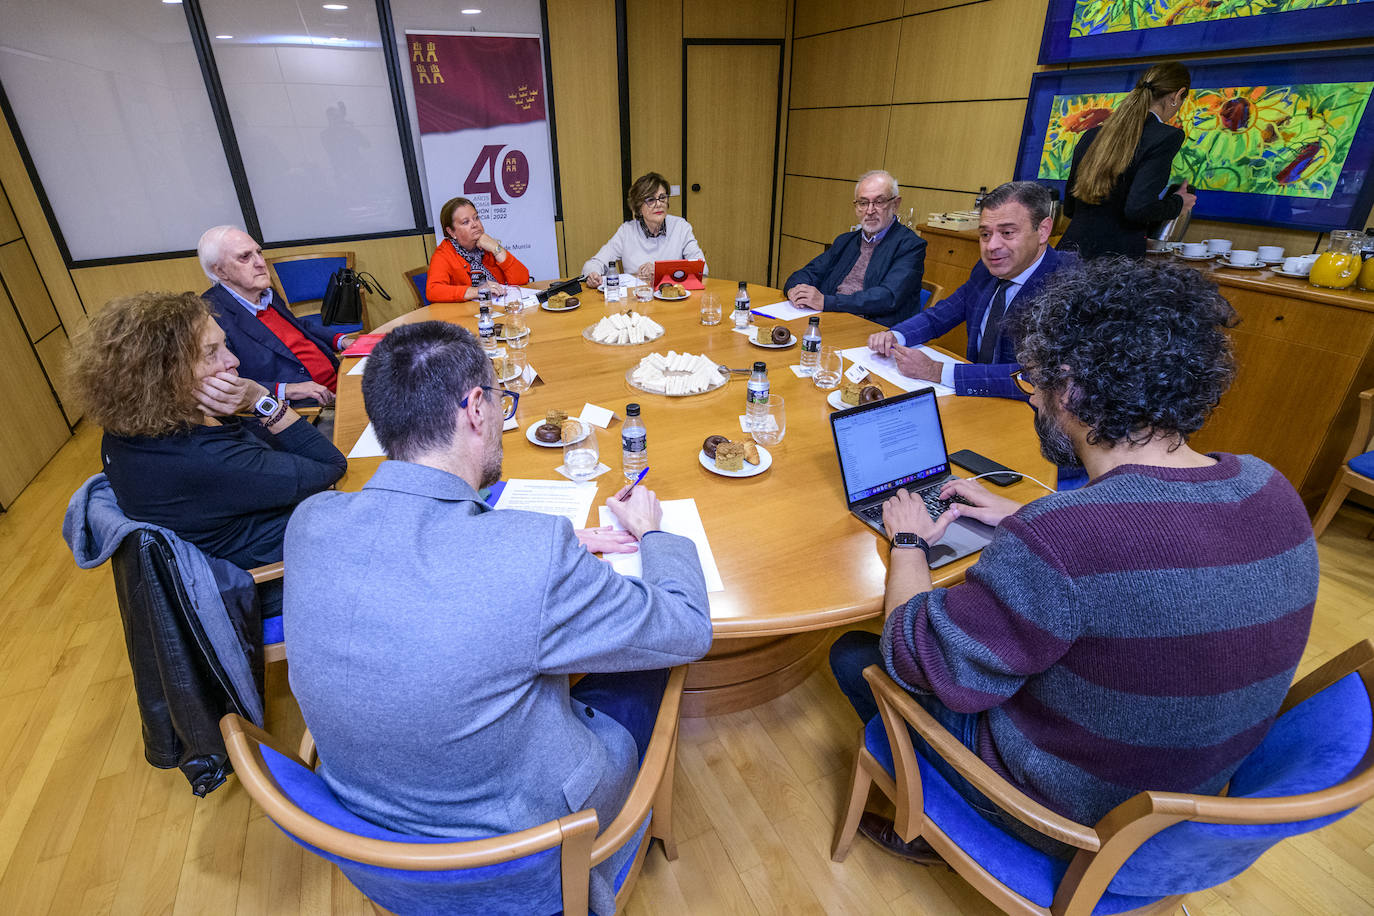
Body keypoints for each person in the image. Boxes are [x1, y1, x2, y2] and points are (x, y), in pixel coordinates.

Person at [830, 257, 1318, 865]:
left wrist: (907, 541)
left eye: (1033, 385)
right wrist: (1021, 519)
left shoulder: (1065, 539)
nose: (1033, 401)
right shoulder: (1269, 486)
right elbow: (1146, 550)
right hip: (1191, 792)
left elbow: (916, 660)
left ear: (1073, 386)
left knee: (856, 655)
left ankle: (941, 823)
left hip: (1077, 819)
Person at [282, 320, 714, 915]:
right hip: (520, 849)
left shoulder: (311, 522)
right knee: (650, 666)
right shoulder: (529, 550)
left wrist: (523, 554)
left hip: (366, 836)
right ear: (478, 408)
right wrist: (654, 533)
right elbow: (687, 626)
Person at [67, 291, 348, 612]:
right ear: (164, 374)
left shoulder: (127, 429)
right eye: (211, 353)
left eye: (225, 345)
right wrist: (260, 398)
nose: (233, 361)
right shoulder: (206, 459)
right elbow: (330, 465)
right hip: (279, 577)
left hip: (252, 546)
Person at [868, 181, 1067, 398]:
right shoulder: (986, 269)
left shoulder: (1067, 287)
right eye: (985, 235)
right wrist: (897, 335)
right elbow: (941, 315)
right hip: (978, 402)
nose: (991, 246)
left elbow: (1037, 379)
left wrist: (935, 371)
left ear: (1043, 231)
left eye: (1007, 232)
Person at [199, 225, 357, 406]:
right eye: (245, 257)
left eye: (259, 252)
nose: (260, 262)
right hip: (304, 407)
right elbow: (223, 385)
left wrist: (342, 341)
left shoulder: (265, 293)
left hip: (338, 379)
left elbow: (296, 326)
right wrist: (287, 390)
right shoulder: (210, 316)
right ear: (220, 271)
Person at [1059, 61, 1197, 259]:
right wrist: (1178, 202)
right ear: (1177, 95)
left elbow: (1071, 207)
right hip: (1114, 263)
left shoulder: (1092, 134)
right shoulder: (1165, 136)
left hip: (1070, 253)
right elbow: (1138, 209)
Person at [783, 170, 926, 327]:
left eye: (879, 202)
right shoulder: (845, 241)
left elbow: (887, 297)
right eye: (863, 203)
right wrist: (796, 290)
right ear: (856, 207)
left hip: (875, 332)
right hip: (830, 320)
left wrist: (826, 302)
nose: (870, 211)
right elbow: (807, 273)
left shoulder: (911, 246)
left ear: (895, 204)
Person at [582, 171, 708, 288]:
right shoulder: (627, 231)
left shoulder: (681, 227)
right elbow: (595, 262)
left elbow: (702, 269)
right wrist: (592, 275)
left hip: (672, 299)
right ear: (638, 207)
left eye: (662, 197)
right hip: (637, 301)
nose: (658, 204)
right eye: (651, 200)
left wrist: (660, 271)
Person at [426, 196, 531, 302]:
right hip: (467, 315)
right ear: (451, 232)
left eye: (476, 218)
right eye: (466, 222)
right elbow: (433, 291)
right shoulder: (444, 254)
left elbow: (522, 279)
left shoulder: (487, 245)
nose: (475, 224)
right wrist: (478, 291)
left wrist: (496, 248)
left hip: (497, 308)